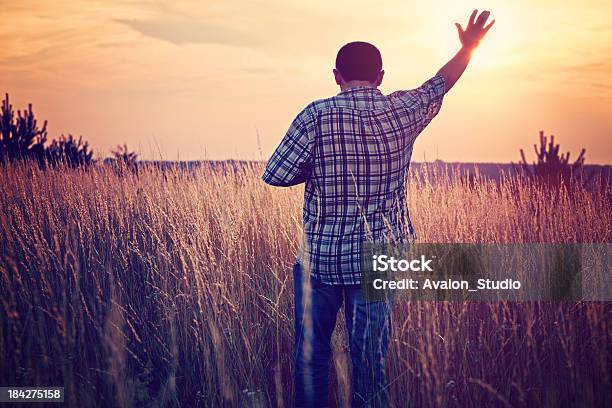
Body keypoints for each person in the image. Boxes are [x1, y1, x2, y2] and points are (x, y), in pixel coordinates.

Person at [262, 10, 495, 407]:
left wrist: (319, 167)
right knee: (370, 361)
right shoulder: (401, 112)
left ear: (335, 76)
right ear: (381, 77)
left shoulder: (315, 115)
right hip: (380, 259)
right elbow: (439, 85)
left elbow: (276, 174)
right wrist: (468, 48)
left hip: (320, 258)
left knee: (311, 357)